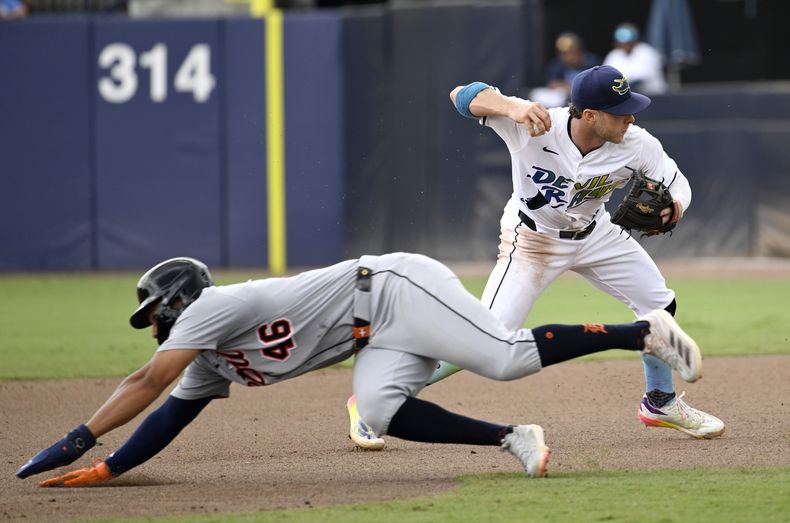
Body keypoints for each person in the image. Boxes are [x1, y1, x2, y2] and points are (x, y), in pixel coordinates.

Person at [16, 254, 702, 485]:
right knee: (376, 408)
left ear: (178, 302)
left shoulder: (211, 307)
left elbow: (144, 384)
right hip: (374, 332)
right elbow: (170, 412)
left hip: (396, 287)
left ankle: (643, 330)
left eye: (155, 313)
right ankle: (512, 437)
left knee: (503, 355)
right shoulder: (208, 354)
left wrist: (80, 436)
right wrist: (110, 467)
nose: (156, 324)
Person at [347, 65, 724, 450]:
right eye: (620, 110)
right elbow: (461, 94)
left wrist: (674, 206)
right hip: (532, 240)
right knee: (484, 336)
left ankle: (660, 402)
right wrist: (510, 106)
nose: (631, 116)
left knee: (659, 304)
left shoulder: (637, 143)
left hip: (597, 234)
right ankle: (374, 397)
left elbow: (676, 182)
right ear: (590, 115)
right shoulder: (533, 124)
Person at [529, 32, 600, 108]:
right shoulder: (557, 64)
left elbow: (594, 84)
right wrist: (569, 87)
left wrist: (572, 87)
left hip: (585, 97)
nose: (567, 56)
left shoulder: (591, 62)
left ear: (579, 50)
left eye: (571, 52)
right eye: (564, 53)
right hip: (564, 96)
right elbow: (552, 83)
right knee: (537, 93)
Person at [603, 22, 667, 95]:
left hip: (653, 96)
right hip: (627, 96)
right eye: (622, 43)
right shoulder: (614, 55)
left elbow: (640, 78)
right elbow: (606, 77)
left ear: (635, 41)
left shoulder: (647, 52)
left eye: (628, 42)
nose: (625, 45)